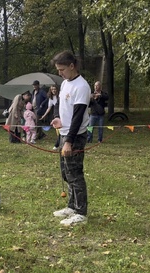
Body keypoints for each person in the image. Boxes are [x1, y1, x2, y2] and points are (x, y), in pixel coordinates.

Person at [50, 51, 90, 226]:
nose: (60, 73)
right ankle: (72, 206)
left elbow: (78, 116)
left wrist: (69, 141)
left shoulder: (82, 86)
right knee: (66, 173)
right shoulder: (66, 83)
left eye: (62, 69)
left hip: (75, 136)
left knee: (75, 174)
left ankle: (81, 212)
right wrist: (60, 119)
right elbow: (65, 109)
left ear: (72, 66)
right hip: (64, 133)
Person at [40, 85, 61, 150]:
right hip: (56, 114)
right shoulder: (51, 98)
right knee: (58, 131)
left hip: (62, 114)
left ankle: (57, 144)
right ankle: (59, 142)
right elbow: (49, 107)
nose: (54, 91)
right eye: (52, 90)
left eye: (55, 89)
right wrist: (44, 115)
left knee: (61, 130)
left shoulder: (60, 96)